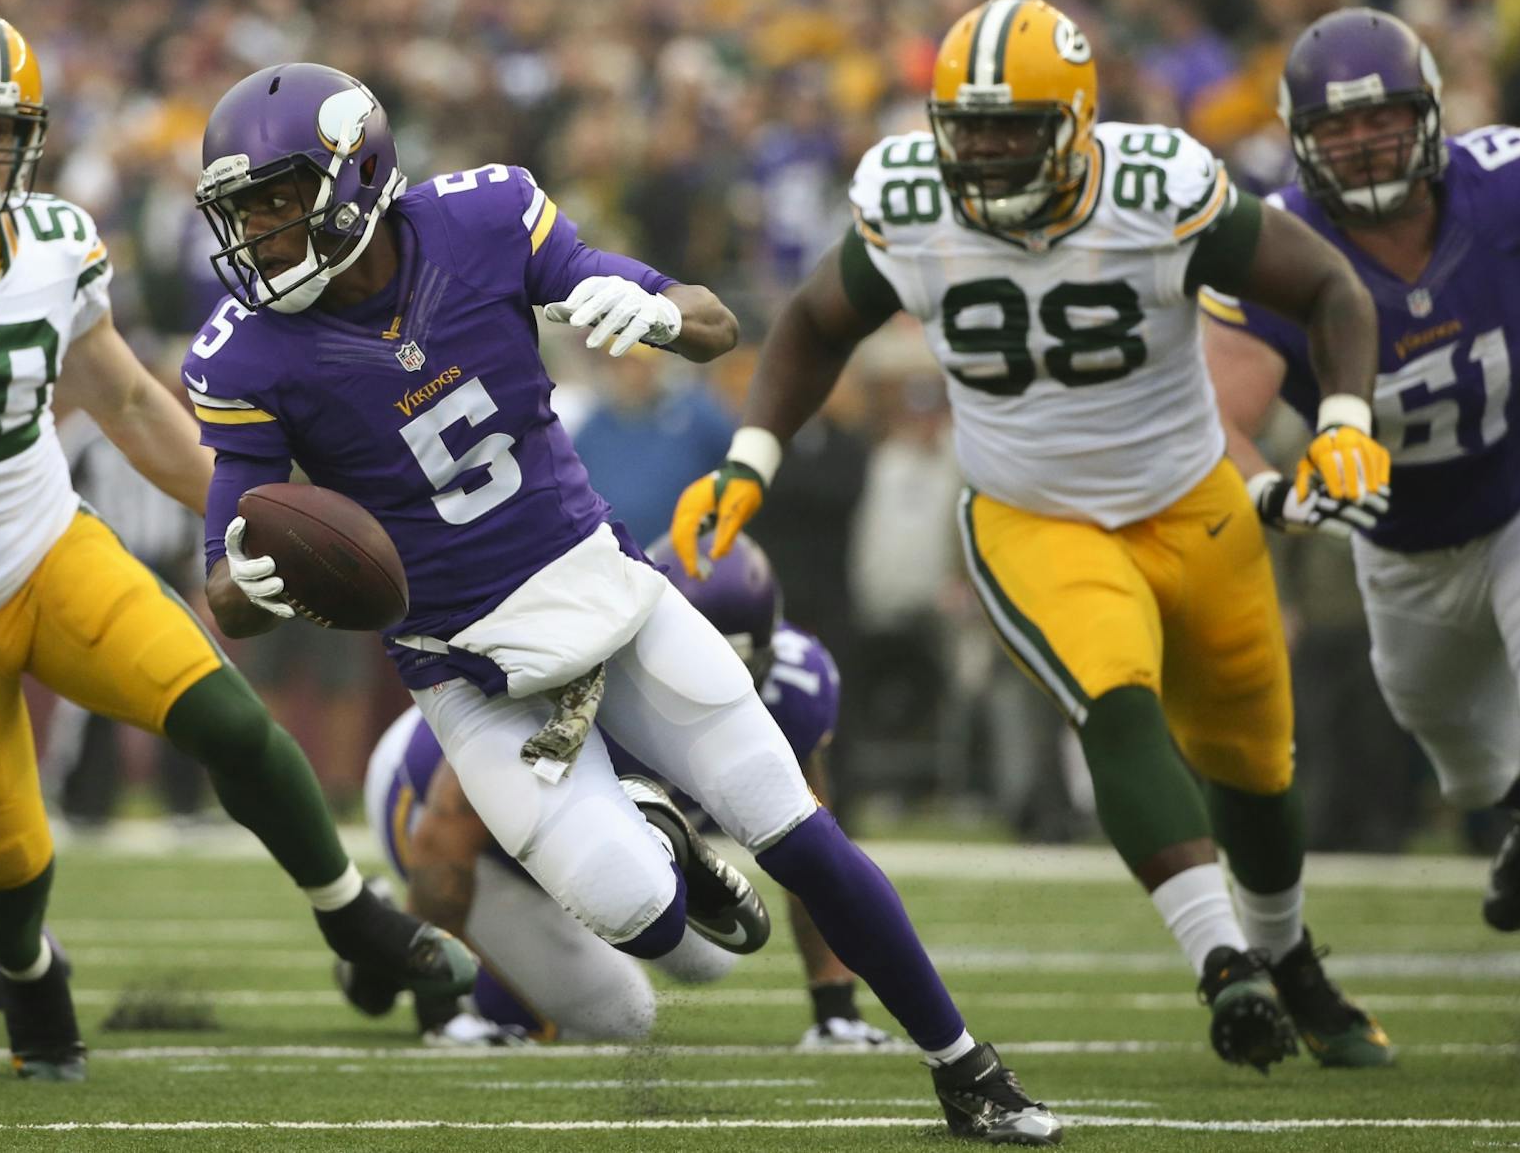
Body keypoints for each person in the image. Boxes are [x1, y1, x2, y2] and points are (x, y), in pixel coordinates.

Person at [191, 61, 1057, 1144]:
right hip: (465, 666)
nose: (259, 233)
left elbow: (716, 326)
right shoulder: (243, 351)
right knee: (639, 916)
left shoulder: (489, 216)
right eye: (243, 210)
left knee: (797, 831)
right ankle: (661, 831)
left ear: (355, 175)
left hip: (603, 586)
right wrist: (254, 581)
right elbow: (225, 580)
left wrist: (655, 308)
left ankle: (967, 1064)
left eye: (277, 199)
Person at [0, 10, 473, 1082]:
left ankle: (354, 917)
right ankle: (29, 968)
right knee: (11, 881)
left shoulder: (59, 242)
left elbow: (137, 412)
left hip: (53, 550)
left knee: (230, 720)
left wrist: (265, 510)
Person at [673, 0, 1395, 1074]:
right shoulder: (912, 203)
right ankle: (1223, 964)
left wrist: (1343, 420)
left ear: (1078, 121)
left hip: (1192, 501)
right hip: (1033, 511)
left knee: (1256, 768)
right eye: (967, 128)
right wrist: (750, 456)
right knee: (1112, 698)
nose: (986, 150)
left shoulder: (1157, 189)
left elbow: (1330, 286)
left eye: (1013, 126)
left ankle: (1288, 958)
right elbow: (821, 320)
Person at [1197, 7, 1520, 1084]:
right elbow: (1220, 414)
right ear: (1302, 138)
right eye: (1338, 129)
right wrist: (1269, 495)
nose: (1362, 147)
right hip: (1395, 546)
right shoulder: (1278, 240)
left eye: (1383, 122)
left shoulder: (1512, 185)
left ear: (1432, 116)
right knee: (1472, 768)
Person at [358, 535, 889, 1048]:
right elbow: (446, 831)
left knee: (711, 954)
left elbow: (812, 847)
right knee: (619, 1014)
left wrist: (835, 1008)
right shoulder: (576, 683)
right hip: (435, 804)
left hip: (566, 832)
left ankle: (390, 947)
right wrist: (440, 1010)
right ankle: (387, 942)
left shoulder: (790, 695)